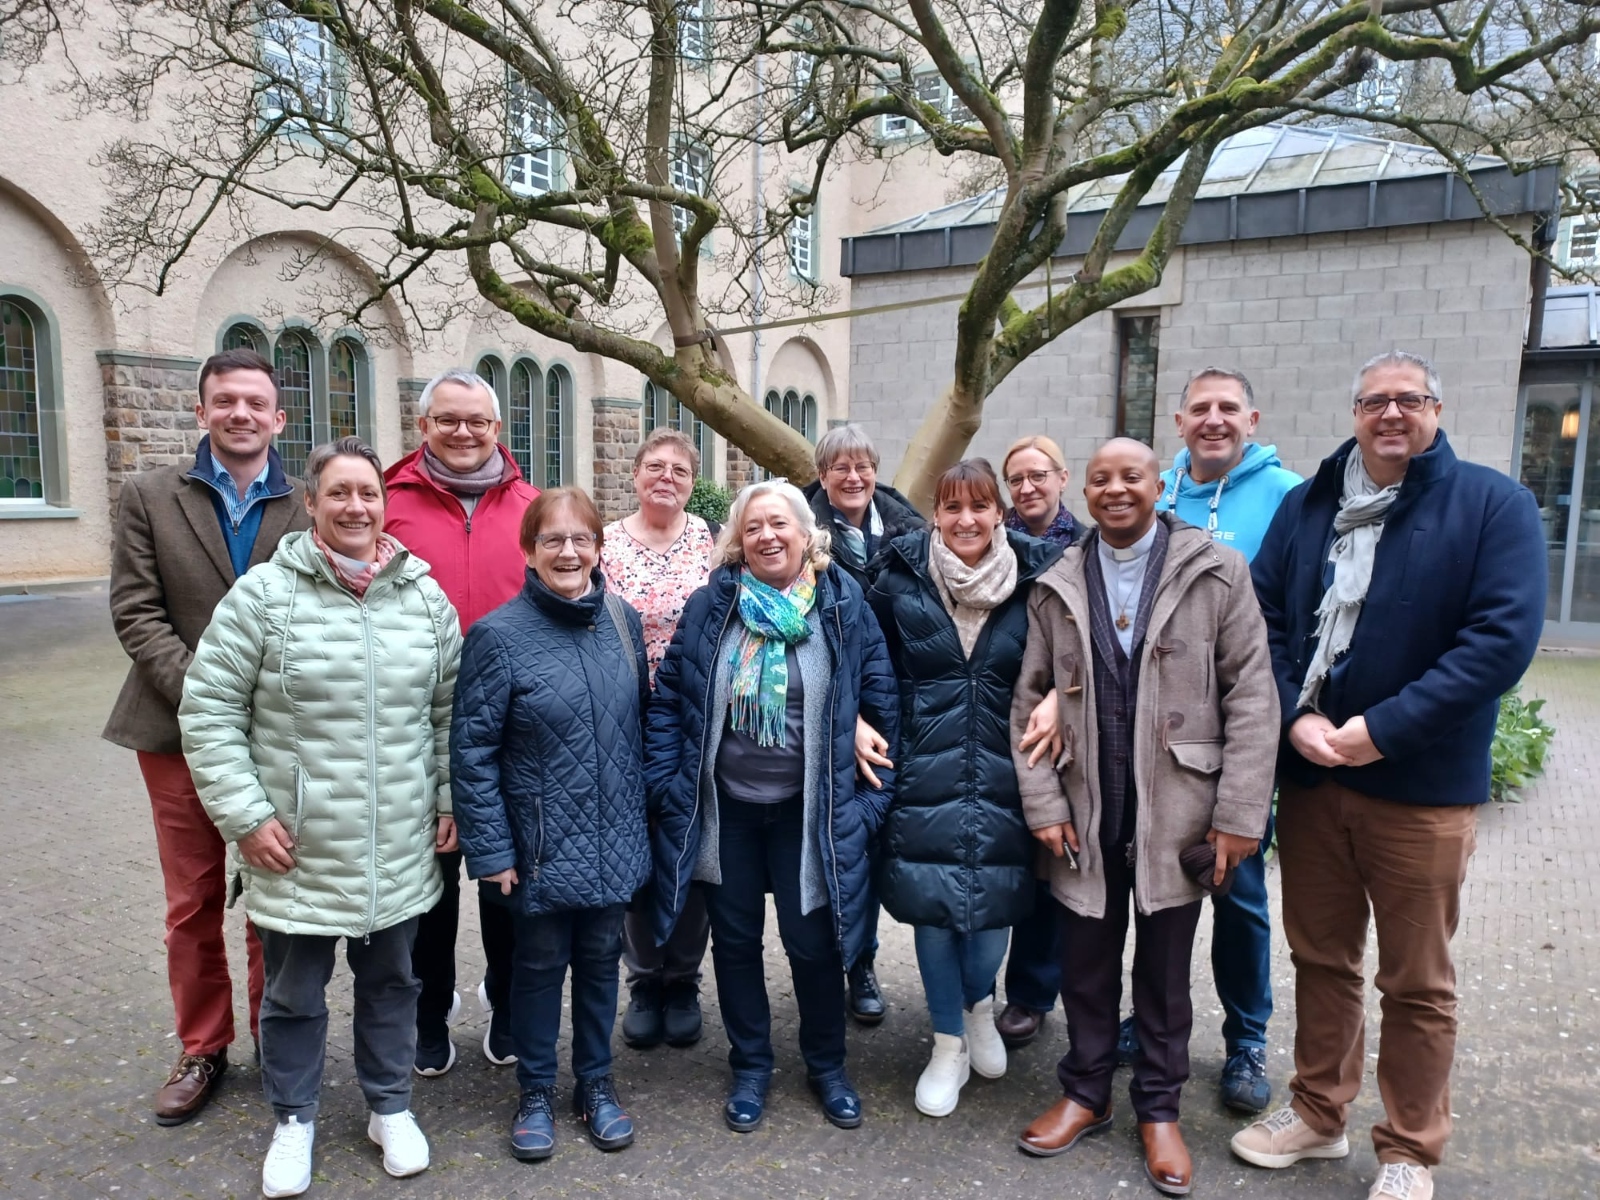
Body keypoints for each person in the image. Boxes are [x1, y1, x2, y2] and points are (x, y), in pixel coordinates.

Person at [1235, 351, 1546, 1200]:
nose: (1391, 414)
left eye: (1410, 399)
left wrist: (1383, 731)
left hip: (1419, 791)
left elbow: (1499, 641)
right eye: (1375, 401)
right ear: (1356, 412)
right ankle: (1318, 1113)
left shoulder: (1492, 505)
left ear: (1436, 409)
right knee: (1321, 960)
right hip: (1314, 782)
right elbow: (1262, 617)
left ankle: (1409, 1148)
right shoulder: (1309, 505)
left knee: (1417, 982)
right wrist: (1295, 716)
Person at [179, 438, 461, 1198]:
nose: (355, 507)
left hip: (397, 842)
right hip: (295, 846)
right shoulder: (264, 597)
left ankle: (390, 1107)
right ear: (310, 504)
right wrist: (245, 816)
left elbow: (447, 713)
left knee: (393, 984)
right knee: (294, 996)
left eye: (368, 493)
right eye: (338, 493)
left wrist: (448, 799)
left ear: (385, 504)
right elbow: (208, 711)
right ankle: (294, 1119)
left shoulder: (425, 599)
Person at [1011, 438, 1277, 1198]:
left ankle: (1159, 1109)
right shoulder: (1056, 582)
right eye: (1101, 479)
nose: (1116, 489)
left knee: (1164, 974)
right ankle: (1086, 1092)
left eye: (1132, 476)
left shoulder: (1216, 570)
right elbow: (1028, 702)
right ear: (1086, 492)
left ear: (1160, 486)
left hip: (1181, 810)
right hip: (1085, 808)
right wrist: (1043, 803)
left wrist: (1239, 813)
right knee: (1086, 968)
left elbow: (1252, 694)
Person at [645, 480, 899, 1133]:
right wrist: (671, 786)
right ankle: (751, 1065)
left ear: (806, 534)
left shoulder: (842, 604)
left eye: (779, 523)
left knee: (813, 944)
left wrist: (864, 809)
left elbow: (880, 703)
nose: (767, 536)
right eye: (753, 526)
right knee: (734, 943)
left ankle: (827, 1066)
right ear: (738, 540)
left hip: (808, 813)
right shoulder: (713, 606)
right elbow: (671, 698)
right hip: (727, 809)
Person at [103, 347, 310, 1126]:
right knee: (191, 901)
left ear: (278, 418)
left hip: (277, 737)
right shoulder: (149, 496)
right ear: (201, 411)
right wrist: (209, 698)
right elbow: (136, 612)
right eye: (225, 401)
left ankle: (275, 1035)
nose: (240, 414)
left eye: (255, 403)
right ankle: (202, 1047)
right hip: (174, 731)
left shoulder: (308, 504)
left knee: (272, 895)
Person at [1100, 368, 1304, 1112]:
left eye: (1228, 408)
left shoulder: (1287, 496)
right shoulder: (1156, 496)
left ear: (1253, 419)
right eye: (1200, 409)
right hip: (1150, 746)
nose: (1214, 420)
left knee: (1237, 894)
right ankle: (1150, 1018)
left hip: (1236, 738)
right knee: (1153, 893)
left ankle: (1247, 1037)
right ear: (1179, 422)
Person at [452, 487, 652, 1162]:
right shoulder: (497, 637)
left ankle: (595, 1083)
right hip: (537, 846)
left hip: (613, 837)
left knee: (600, 965)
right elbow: (472, 752)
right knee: (536, 969)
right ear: (529, 550)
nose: (568, 552)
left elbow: (639, 727)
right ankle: (535, 1090)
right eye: (553, 540)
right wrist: (491, 850)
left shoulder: (622, 623)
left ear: (599, 547)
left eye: (581, 539)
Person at [867, 459, 1062, 1116]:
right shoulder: (899, 577)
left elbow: (1079, 655)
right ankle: (948, 1041)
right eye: (952, 507)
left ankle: (980, 1005)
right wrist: (862, 722)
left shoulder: (1039, 577)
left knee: (995, 908)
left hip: (1011, 769)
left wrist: (1063, 697)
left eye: (980, 506)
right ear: (936, 516)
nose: (966, 520)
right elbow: (865, 659)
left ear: (999, 514)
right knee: (933, 909)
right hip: (924, 766)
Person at [382, 367, 538, 1076]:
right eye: (447, 419)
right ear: (423, 426)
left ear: (497, 428)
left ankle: (507, 1002)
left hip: (514, 731)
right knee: (429, 885)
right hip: (417, 728)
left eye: (477, 420)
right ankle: (428, 1010)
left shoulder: (532, 508)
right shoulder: (386, 504)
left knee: (509, 885)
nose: (463, 432)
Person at [599, 428, 716, 1052]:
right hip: (622, 717)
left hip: (695, 716)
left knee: (690, 844)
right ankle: (644, 978)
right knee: (636, 848)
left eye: (679, 469)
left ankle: (684, 978)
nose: (666, 477)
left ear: (692, 483)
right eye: (655, 466)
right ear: (636, 474)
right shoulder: (605, 543)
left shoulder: (711, 541)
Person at [801, 423, 922, 1023]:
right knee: (833, 839)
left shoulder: (911, 533)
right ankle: (829, 961)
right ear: (822, 475)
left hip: (902, 706)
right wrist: (842, 715)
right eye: (840, 467)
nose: (853, 477)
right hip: (831, 709)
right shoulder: (801, 535)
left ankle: (863, 959)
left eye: (863, 466)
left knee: (874, 843)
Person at [993, 435, 1084, 1049]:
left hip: (1056, 722)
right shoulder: (990, 544)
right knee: (1000, 858)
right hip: (991, 713)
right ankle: (975, 990)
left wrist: (1061, 693)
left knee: (1051, 859)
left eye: (1038, 476)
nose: (1027, 488)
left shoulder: (1087, 550)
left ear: (1062, 478)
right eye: (1016, 479)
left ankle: (1031, 992)